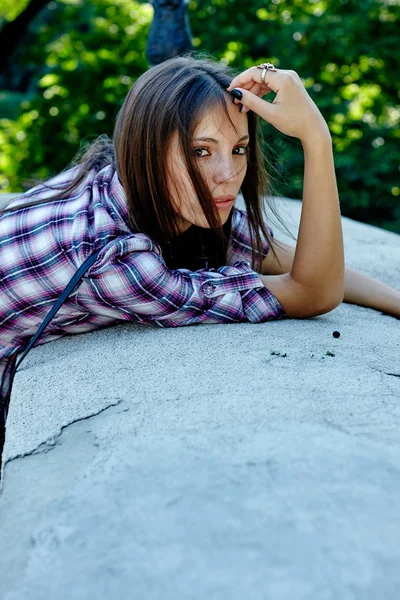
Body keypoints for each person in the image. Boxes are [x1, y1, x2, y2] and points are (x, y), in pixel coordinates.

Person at [1, 54, 399, 434]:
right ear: (147, 149)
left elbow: (307, 264)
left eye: (238, 149)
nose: (227, 174)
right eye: (200, 151)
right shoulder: (114, 260)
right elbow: (313, 291)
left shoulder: (134, 184)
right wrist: (316, 139)